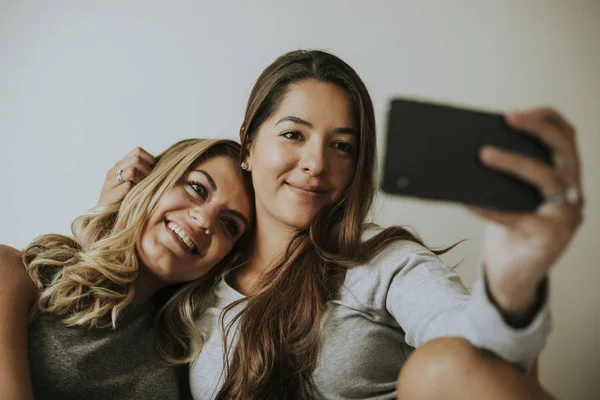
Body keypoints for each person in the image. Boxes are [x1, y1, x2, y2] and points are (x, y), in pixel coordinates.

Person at [98, 50, 583, 400]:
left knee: (443, 366)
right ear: (247, 145)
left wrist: (512, 284)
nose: (315, 163)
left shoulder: (380, 260)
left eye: (342, 145)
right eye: (293, 134)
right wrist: (109, 220)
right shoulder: (199, 273)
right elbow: (99, 336)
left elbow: (477, 356)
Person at [0, 139, 253, 400]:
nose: (204, 220)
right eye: (197, 188)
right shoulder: (19, 273)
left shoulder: (186, 357)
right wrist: (111, 219)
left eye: (230, 225)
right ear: (154, 180)